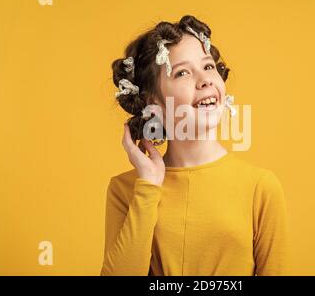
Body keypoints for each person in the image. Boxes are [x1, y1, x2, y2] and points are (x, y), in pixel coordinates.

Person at [100, 15, 289, 276]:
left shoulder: (261, 187)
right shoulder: (126, 190)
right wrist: (148, 187)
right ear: (152, 102)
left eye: (209, 67)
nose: (205, 80)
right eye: (182, 73)